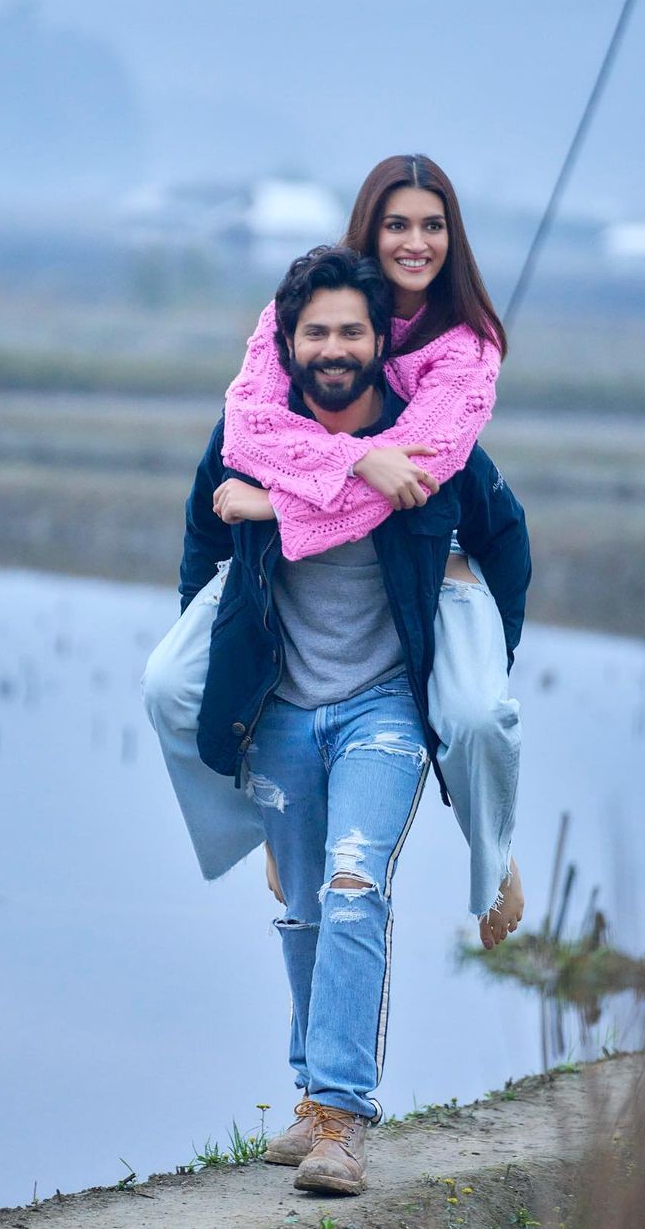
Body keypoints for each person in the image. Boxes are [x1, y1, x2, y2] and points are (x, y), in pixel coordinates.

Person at [162, 246, 530, 1195]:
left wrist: (485, 658)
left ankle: (340, 1118)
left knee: (356, 883)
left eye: (352, 331)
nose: (333, 347)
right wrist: (213, 635)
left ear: (379, 343)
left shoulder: (426, 442)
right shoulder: (254, 433)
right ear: (289, 343)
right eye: (316, 331)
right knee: (300, 909)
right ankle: (309, 1095)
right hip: (283, 708)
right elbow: (204, 537)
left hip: (382, 709)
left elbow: (506, 534)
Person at [145, 154, 524, 946]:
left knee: (479, 715)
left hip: (421, 566)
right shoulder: (322, 305)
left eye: (432, 225)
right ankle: (265, 833)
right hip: (301, 554)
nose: (414, 242)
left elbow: (427, 488)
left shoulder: (462, 352)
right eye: (397, 223)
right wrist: (351, 460)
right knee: (171, 687)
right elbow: (244, 436)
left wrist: (493, 650)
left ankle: (493, 861)